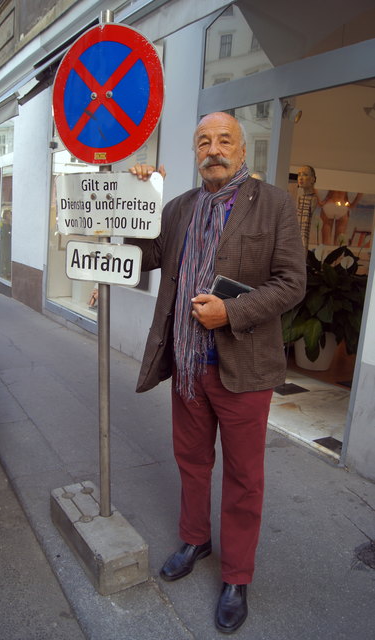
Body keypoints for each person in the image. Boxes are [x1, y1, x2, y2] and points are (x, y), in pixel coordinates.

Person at [129, 112, 306, 634]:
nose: (213, 148)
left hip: (244, 369)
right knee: (191, 460)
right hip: (187, 365)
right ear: (194, 151)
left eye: (224, 139)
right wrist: (134, 196)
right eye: (203, 140)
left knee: (245, 478)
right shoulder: (179, 207)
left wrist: (231, 312)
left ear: (241, 147)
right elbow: (144, 255)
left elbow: (292, 283)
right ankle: (194, 538)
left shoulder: (272, 203)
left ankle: (237, 575)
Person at [296, 165, 318, 249]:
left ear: (313, 179)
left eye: (305, 175)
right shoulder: (300, 198)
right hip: (296, 238)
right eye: (299, 174)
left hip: (303, 241)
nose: (300, 178)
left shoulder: (313, 199)